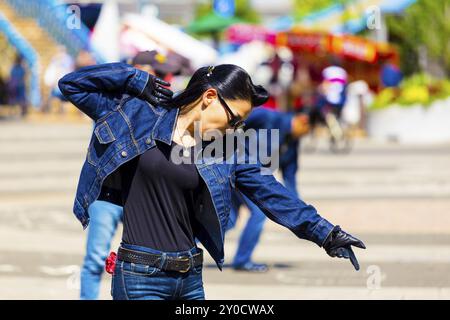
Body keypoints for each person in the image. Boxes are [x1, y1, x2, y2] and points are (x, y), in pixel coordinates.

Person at [59, 62, 365, 300]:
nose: (234, 128)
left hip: (190, 276)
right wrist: (135, 79)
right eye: (233, 119)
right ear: (209, 97)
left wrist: (326, 234)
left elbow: (272, 192)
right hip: (140, 276)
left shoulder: (225, 149)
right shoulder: (139, 116)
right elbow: (72, 85)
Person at [79, 50, 182, 300]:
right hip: (109, 195)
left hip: (145, 198)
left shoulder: (166, 108)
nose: (162, 80)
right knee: (95, 261)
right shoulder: (111, 103)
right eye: (155, 75)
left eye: (162, 75)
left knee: (156, 264)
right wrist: (128, 78)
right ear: (139, 72)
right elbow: (72, 85)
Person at [226, 108, 310, 272]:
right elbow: (243, 119)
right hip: (239, 170)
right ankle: (242, 260)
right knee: (258, 213)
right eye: (308, 129)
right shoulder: (269, 118)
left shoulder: (292, 143)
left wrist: (299, 210)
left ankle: (185, 247)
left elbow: (290, 178)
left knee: (229, 220)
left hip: (254, 179)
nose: (306, 134)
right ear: (302, 119)